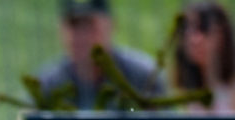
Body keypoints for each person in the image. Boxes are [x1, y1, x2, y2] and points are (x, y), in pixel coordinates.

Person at [34, 0, 165, 109]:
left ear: (111, 25)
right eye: (74, 25)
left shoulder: (144, 77)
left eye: (89, 24)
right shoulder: (47, 84)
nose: (81, 36)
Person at [174, 3, 235, 110]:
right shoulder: (185, 91)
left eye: (203, 28)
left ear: (221, 34)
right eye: (188, 29)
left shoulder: (231, 87)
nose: (194, 39)